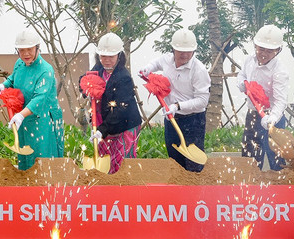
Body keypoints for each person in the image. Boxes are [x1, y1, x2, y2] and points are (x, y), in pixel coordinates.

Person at [139, 28, 210, 172]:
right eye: (180, 50)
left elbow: (202, 100)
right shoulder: (167, 59)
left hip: (193, 120)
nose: (184, 54)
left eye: (188, 51)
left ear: (194, 51)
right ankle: (178, 189)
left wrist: (178, 106)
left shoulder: (199, 70)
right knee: (174, 160)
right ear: (173, 49)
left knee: (193, 165)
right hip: (171, 119)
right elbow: (156, 63)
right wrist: (147, 68)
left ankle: (194, 191)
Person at [0, 29, 64, 171]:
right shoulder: (20, 63)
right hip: (24, 118)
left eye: (29, 49)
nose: (25, 54)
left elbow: (40, 98)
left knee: (41, 158)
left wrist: (20, 115)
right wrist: (4, 85)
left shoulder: (46, 70)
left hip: (43, 119)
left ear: (37, 47)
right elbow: (13, 78)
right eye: (21, 50)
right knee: (25, 157)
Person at [83, 32, 142, 174]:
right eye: (103, 56)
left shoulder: (124, 77)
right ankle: (106, 192)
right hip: (104, 122)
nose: (107, 60)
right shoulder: (98, 69)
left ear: (119, 56)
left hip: (125, 124)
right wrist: (84, 87)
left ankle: (123, 192)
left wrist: (102, 130)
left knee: (121, 166)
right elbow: (85, 80)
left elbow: (121, 110)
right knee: (105, 164)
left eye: (111, 56)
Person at [237, 24, 289, 171]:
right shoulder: (249, 61)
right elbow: (242, 75)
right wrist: (242, 83)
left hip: (273, 120)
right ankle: (249, 189)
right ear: (255, 45)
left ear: (278, 50)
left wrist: (271, 119)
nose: (264, 54)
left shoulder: (280, 71)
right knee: (249, 159)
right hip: (252, 115)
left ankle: (280, 190)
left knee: (277, 160)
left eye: (269, 50)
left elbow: (280, 101)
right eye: (261, 49)